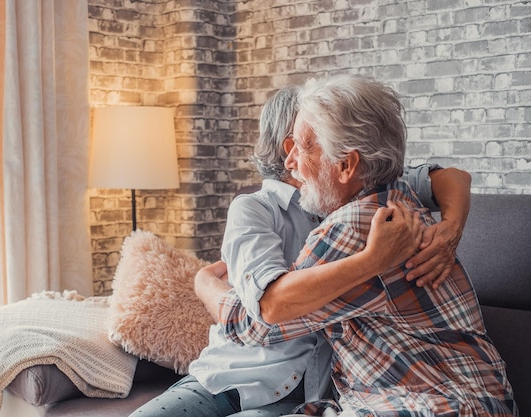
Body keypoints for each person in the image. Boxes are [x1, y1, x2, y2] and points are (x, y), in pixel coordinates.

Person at [129, 86, 471, 417]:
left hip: (305, 392)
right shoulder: (259, 208)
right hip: (231, 375)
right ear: (284, 145)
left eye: (308, 140)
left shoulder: (362, 204)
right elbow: (265, 312)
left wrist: (451, 228)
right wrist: (203, 285)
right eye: (295, 140)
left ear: (342, 158)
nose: (294, 155)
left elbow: (451, 177)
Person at [218, 75, 517, 416]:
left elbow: (254, 324)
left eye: (302, 146)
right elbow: (455, 176)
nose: (289, 162)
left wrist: (203, 284)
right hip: (468, 398)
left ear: (346, 166)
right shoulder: (398, 199)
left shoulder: (355, 227)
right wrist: (450, 226)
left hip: (429, 406)